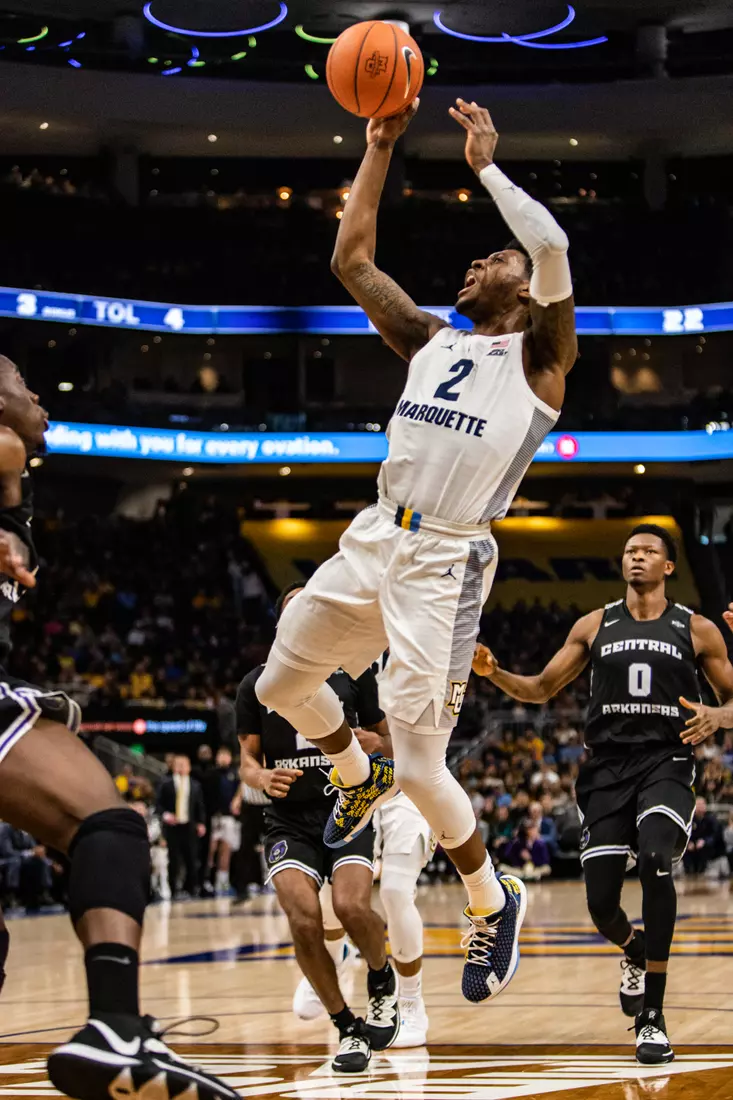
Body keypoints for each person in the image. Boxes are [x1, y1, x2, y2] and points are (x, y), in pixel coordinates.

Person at [253, 96, 577, 1004]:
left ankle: (488, 893)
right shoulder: (434, 344)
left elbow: (548, 246)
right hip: (371, 537)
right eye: (479, 256)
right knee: (280, 685)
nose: (476, 262)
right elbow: (349, 260)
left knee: (426, 766)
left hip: (446, 562)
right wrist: (379, 147)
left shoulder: (541, 362)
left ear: (523, 293)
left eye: (493, 260)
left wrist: (484, 167)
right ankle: (357, 780)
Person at [0, 356, 236, 1099]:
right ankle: (115, 1030)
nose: (37, 393)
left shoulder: (16, 477)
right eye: (18, 380)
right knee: (104, 819)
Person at [472, 523, 733, 1064]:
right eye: (629, 551)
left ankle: (653, 1016)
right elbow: (542, 688)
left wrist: (718, 714)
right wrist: (494, 672)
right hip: (606, 772)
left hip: (665, 761)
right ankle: (634, 951)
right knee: (601, 906)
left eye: (648, 552)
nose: (636, 557)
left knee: (658, 860)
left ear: (668, 567)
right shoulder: (595, 624)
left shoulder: (698, 628)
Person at [237, 584, 400, 1073]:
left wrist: (374, 742)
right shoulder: (256, 684)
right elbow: (245, 762)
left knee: (351, 906)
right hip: (287, 819)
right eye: (294, 610)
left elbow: (390, 744)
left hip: (347, 805)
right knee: (303, 917)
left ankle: (380, 976)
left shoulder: (354, 673)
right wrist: (261, 776)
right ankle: (347, 1027)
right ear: (282, 625)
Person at [157, 754, 206, 898]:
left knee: (191, 858)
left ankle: (191, 889)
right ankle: (173, 890)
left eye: (184, 764)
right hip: (172, 827)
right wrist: (166, 815)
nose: (181, 767)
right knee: (174, 859)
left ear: (189, 767)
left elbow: (199, 806)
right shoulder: (166, 783)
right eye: (178, 764)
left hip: (189, 826)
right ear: (173, 766)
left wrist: (201, 823)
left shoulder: (195, 785)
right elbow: (158, 804)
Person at [207, 746, 241, 895]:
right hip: (213, 817)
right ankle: (207, 879)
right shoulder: (211, 774)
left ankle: (223, 880)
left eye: (225, 755)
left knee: (226, 849)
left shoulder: (234, 774)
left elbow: (239, 793)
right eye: (220, 755)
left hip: (228, 817)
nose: (223, 758)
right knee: (211, 850)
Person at [683, 796, 725, 875]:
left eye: (702, 804)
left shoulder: (711, 819)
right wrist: (688, 843)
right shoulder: (689, 819)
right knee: (686, 851)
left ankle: (702, 872)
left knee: (705, 849)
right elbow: (685, 834)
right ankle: (688, 872)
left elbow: (715, 835)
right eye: (698, 805)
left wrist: (705, 841)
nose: (700, 807)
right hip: (692, 846)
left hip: (707, 847)